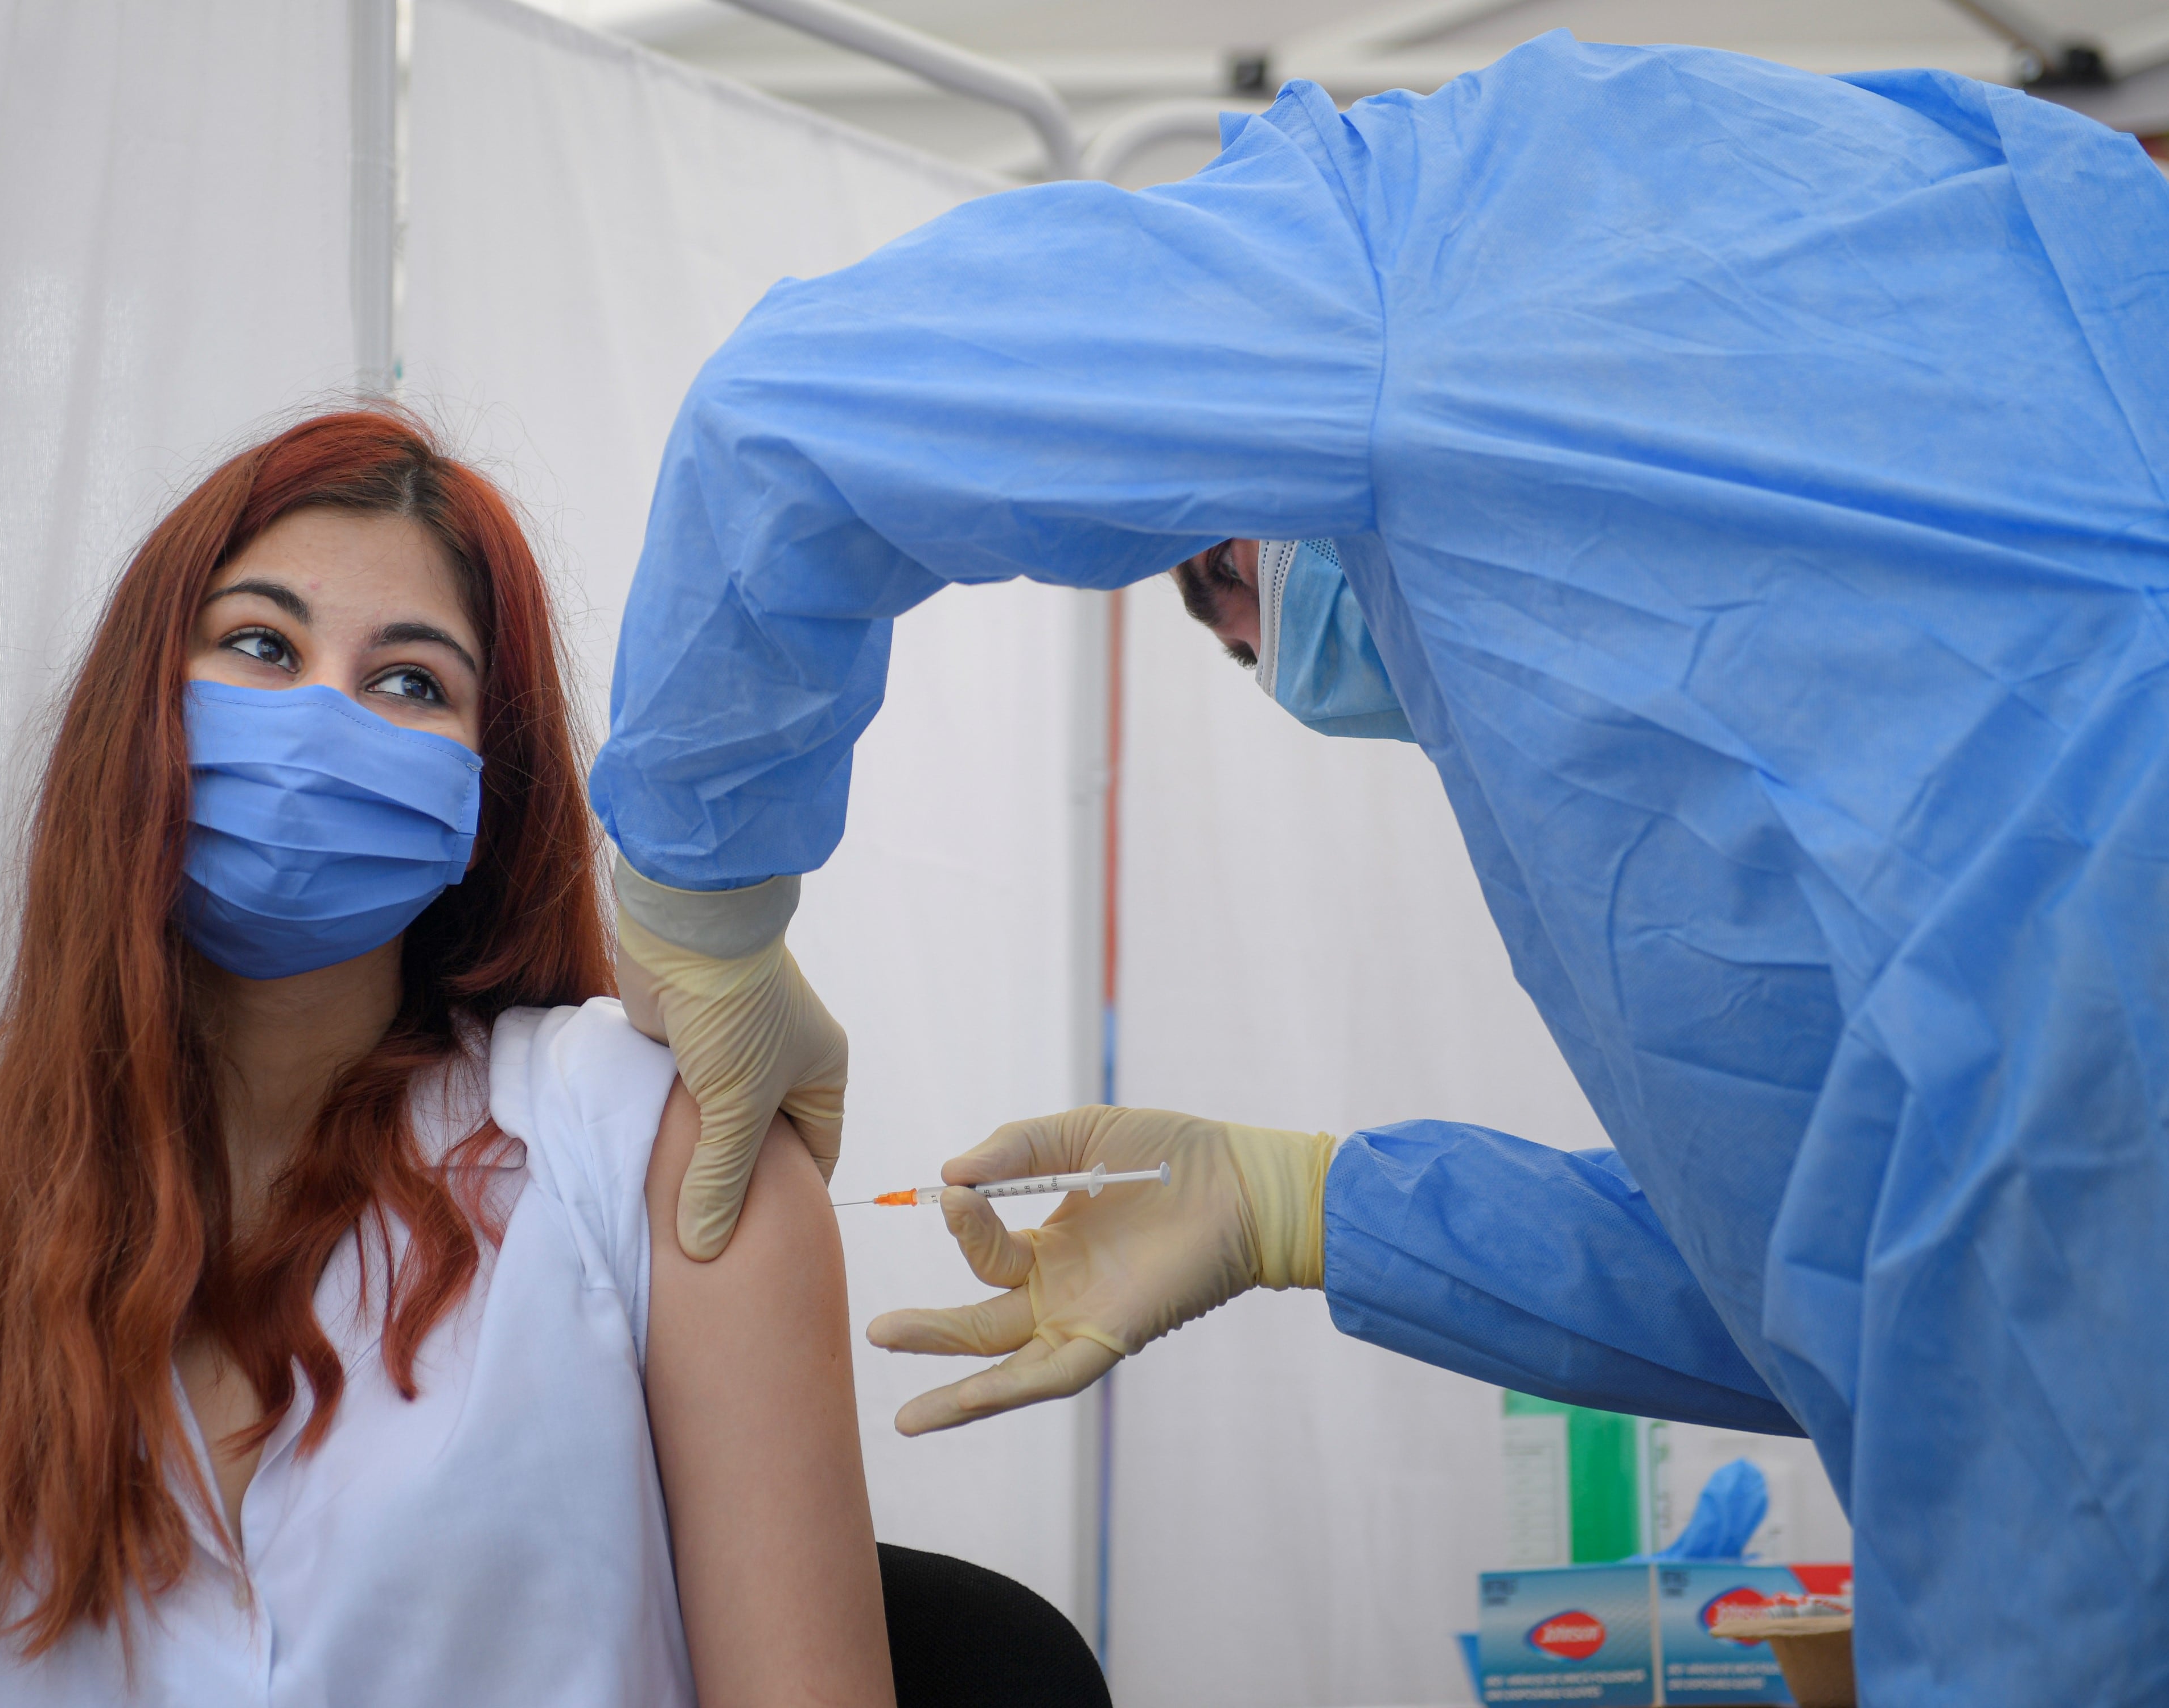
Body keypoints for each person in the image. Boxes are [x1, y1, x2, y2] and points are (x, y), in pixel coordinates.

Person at [590, 32, 2169, 1705]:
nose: (1262, 644)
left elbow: (799, 417)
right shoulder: (2035, 222)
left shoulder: (1437, 231)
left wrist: (701, 903)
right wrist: (1304, 1208)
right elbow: (1870, 1252)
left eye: (1221, 578)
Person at [0, 410, 894, 1706]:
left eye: (411, 682)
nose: (319, 723)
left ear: (482, 795)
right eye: (258, 644)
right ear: (138, 718)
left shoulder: (645, 1144)